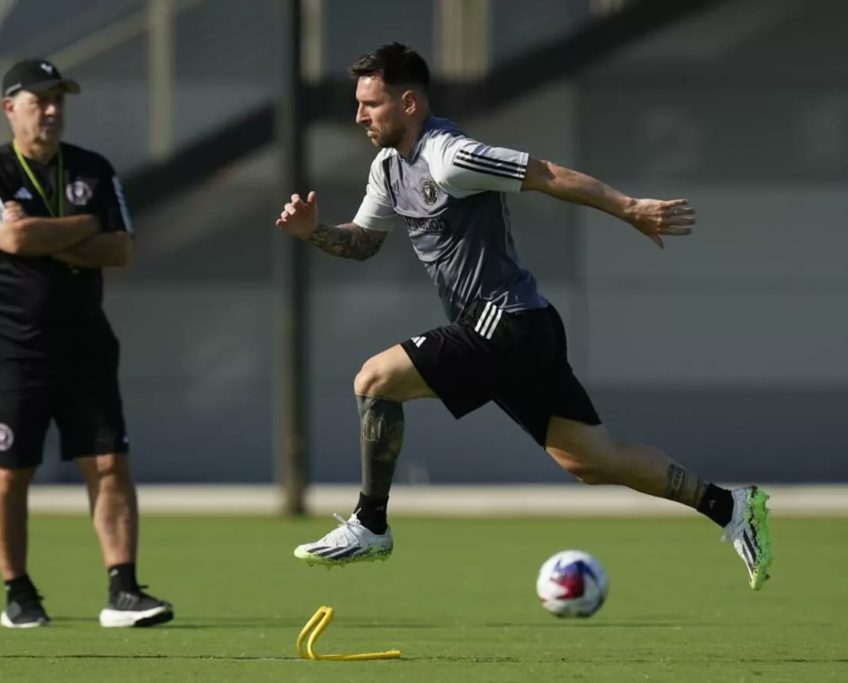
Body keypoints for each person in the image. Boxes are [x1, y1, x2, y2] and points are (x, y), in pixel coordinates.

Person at [275, 43, 772, 590]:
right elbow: (364, 242)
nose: (359, 116)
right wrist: (312, 233)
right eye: (359, 104)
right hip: (520, 327)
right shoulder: (389, 168)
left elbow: (545, 172)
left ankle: (371, 524)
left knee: (375, 378)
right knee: (591, 460)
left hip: (505, 321)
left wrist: (630, 209)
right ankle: (729, 505)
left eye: (370, 104)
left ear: (409, 103)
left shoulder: (451, 155)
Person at [0, 58, 173, 627]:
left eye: (59, 100)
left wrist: (39, 235)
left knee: (109, 463)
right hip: (15, 348)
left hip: (86, 343)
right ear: (11, 108)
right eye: (39, 100)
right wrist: (85, 224)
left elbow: (121, 249)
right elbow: (7, 235)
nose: (52, 110)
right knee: (10, 472)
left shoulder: (93, 167)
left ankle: (123, 591)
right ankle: (19, 594)